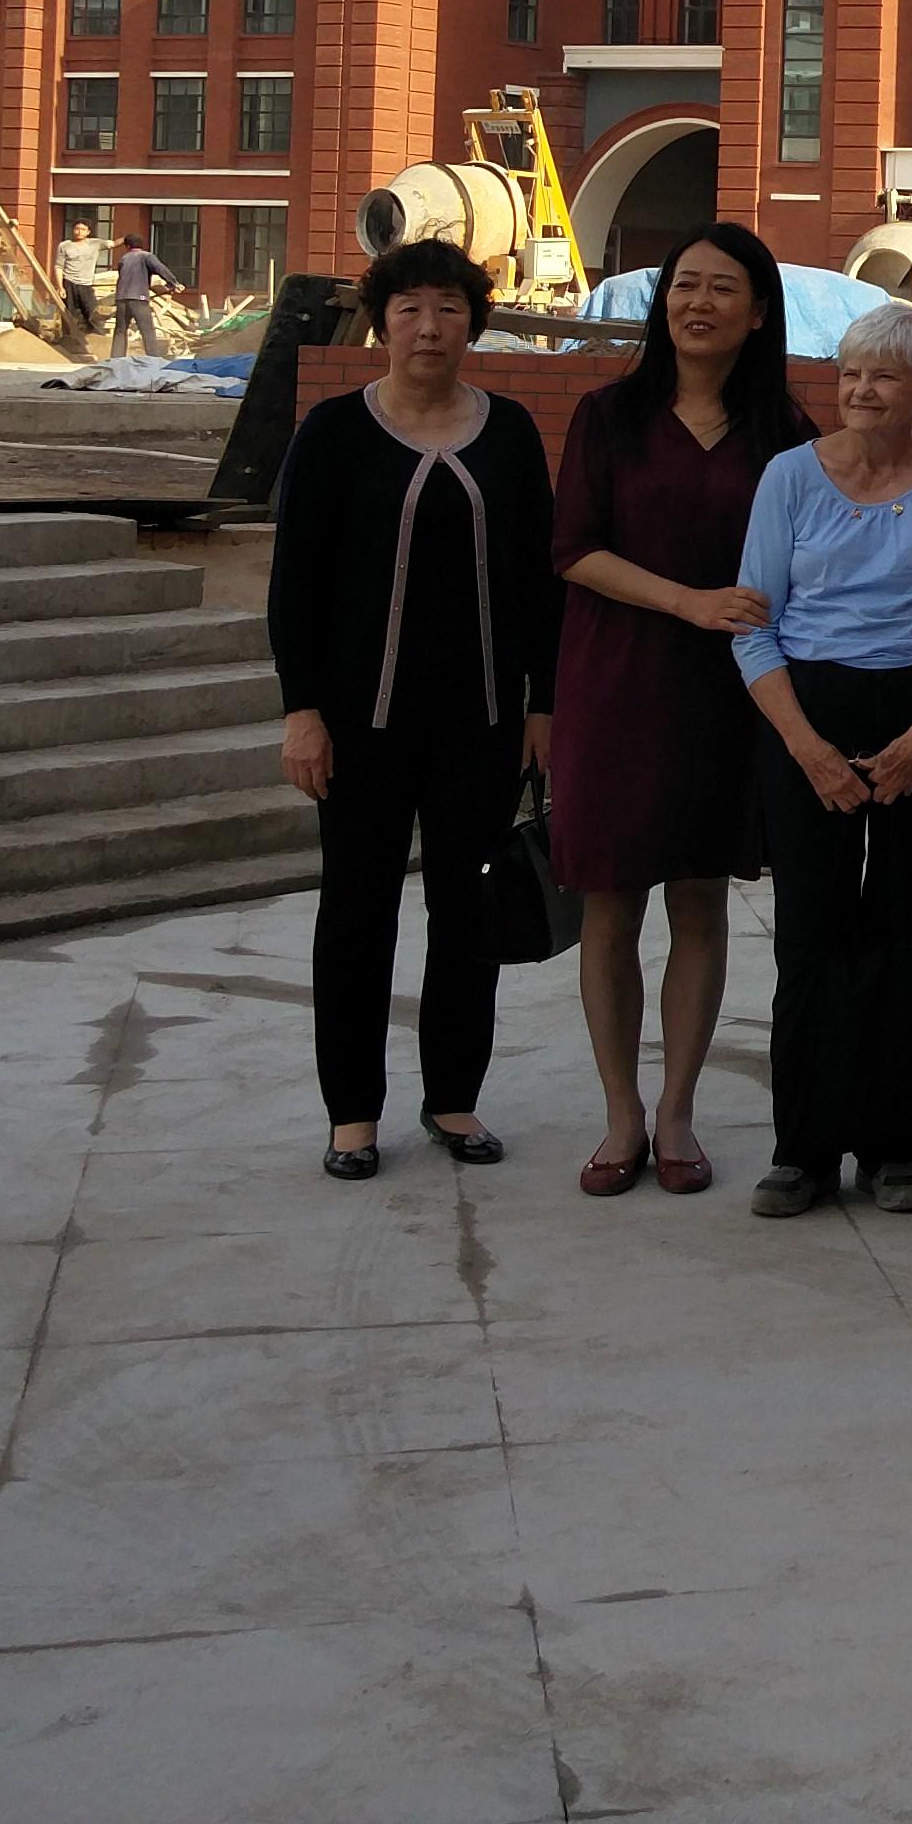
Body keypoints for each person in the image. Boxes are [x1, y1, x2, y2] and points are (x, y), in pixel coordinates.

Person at [266, 238, 558, 1182]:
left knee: (468, 911)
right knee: (357, 913)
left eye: (449, 308)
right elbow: (295, 583)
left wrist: (544, 703)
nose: (429, 327)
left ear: (474, 322)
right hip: (360, 725)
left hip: (481, 721)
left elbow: (539, 580)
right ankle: (352, 1115)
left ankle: (454, 1098)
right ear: (381, 322)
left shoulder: (509, 432)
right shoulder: (334, 433)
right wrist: (302, 711)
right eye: (409, 310)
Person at [549, 224, 814, 1199]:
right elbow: (574, 549)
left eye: (721, 288)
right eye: (683, 285)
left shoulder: (784, 431)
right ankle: (620, 1113)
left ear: (757, 313)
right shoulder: (608, 415)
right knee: (611, 899)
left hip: (728, 695)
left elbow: (831, 532)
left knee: (700, 896)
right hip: (615, 683)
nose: (698, 304)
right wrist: (688, 602)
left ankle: (676, 1114)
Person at [733, 301, 912, 1218]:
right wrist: (805, 747)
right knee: (810, 934)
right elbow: (753, 626)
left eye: (883, 375)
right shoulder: (788, 477)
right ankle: (802, 1148)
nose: (861, 390)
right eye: (849, 372)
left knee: (906, 929)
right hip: (807, 710)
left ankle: (893, 1145)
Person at [110, 226, 175, 358]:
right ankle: (153, 358)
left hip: (122, 298)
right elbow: (160, 269)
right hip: (139, 299)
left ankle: (116, 359)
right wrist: (174, 283)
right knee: (147, 330)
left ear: (127, 246)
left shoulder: (124, 258)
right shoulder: (146, 256)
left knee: (120, 331)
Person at [56, 216, 108, 346]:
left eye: (83, 229)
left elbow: (112, 244)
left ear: (88, 232)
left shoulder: (95, 244)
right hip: (69, 283)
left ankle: (96, 340)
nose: (79, 232)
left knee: (92, 313)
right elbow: (58, 267)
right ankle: (69, 341)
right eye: (77, 229)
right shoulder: (64, 246)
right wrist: (60, 287)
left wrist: (127, 239)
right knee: (69, 314)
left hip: (86, 285)